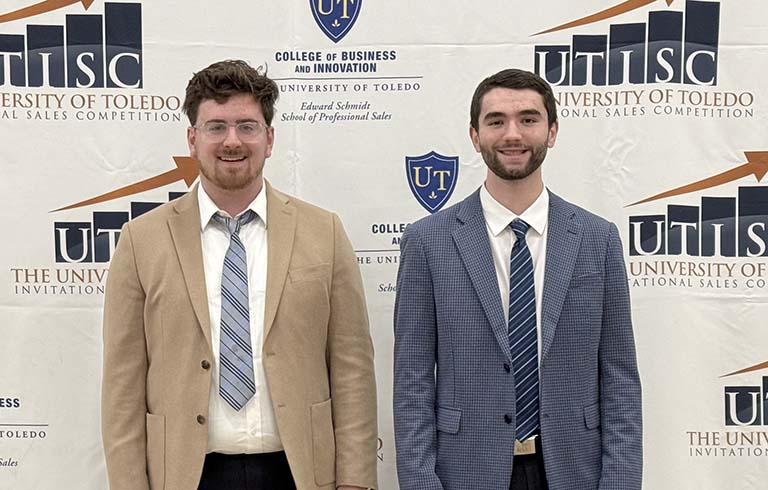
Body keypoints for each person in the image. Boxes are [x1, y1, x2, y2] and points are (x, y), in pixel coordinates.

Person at [102, 59, 378, 490]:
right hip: (186, 476)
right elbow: (123, 385)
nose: (232, 141)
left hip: (300, 474)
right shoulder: (141, 241)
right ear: (192, 139)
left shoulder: (324, 232)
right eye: (216, 127)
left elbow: (352, 369)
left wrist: (356, 482)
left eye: (247, 126)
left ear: (269, 139)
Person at [392, 68, 642, 490]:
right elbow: (412, 384)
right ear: (474, 136)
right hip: (465, 473)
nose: (513, 134)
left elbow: (620, 382)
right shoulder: (427, 241)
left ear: (552, 130)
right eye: (496, 121)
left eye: (528, 119)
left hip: (572, 471)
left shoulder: (597, 239)